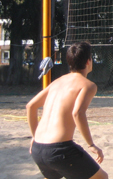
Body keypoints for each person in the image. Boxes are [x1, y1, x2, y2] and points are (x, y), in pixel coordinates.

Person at [26, 41, 108, 179]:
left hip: (38, 149)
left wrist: (35, 137)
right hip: (59, 150)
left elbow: (30, 106)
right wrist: (91, 144)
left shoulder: (57, 82)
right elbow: (77, 113)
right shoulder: (88, 85)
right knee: (101, 177)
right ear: (88, 61)